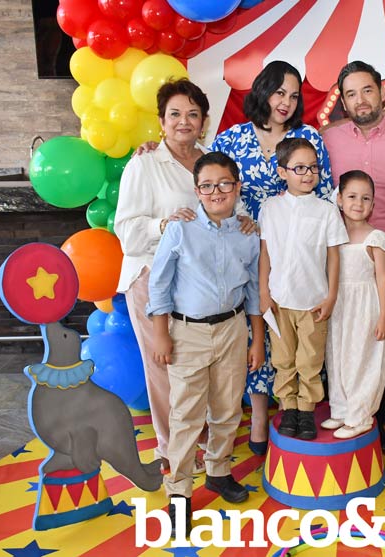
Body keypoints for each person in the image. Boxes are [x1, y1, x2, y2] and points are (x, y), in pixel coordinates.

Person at [210, 61, 335, 454]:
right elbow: (210, 182)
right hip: (245, 252)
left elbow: (326, 194)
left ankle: (298, 408)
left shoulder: (307, 137)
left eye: (294, 95)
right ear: (262, 90)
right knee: (256, 334)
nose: (286, 102)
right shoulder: (232, 139)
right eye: (280, 92)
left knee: (297, 337)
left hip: (297, 255)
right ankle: (260, 414)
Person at [147, 152, 264, 535]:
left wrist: (256, 339)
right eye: (208, 186)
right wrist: (161, 333)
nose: (217, 192)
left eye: (225, 184)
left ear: (237, 187)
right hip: (188, 333)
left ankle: (218, 470)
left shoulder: (247, 232)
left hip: (232, 328)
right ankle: (179, 493)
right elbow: (160, 283)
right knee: (186, 414)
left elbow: (253, 289)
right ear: (197, 190)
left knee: (228, 407)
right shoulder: (180, 229)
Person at [114, 78, 211, 475]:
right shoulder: (144, 163)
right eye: (175, 114)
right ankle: (172, 448)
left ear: (203, 121)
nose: (183, 121)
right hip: (151, 277)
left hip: (198, 282)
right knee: (163, 365)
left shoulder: (210, 161)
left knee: (196, 364)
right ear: (161, 120)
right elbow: (126, 231)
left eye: (192, 114)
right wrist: (163, 225)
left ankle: (199, 436)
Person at [322, 61, 385, 450]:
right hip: (342, 258)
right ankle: (343, 407)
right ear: (343, 102)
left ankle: (378, 421)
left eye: (367, 90)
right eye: (351, 93)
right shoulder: (327, 139)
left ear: (382, 93)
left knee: (383, 340)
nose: (360, 100)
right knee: (340, 338)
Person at [259, 137, 348, 441]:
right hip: (279, 300)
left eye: (313, 167)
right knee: (283, 358)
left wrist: (331, 296)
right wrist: (264, 293)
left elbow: (334, 257)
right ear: (282, 172)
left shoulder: (326, 211)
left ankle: (307, 409)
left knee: (310, 360)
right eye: (299, 168)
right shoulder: (270, 208)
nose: (308, 174)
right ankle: (289, 408)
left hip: (313, 301)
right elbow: (265, 253)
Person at [323, 170, 385, 439]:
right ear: (339, 199)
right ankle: (341, 409)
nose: (358, 203)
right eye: (352, 196)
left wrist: (384, 316)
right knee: (337, 357)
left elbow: (383, 280)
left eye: (366, 198)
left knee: (361, 360)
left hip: (365, 309)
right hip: (339, 306)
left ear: (373, 204)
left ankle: (360, 416)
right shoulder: (333, 235)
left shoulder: (376, 238)